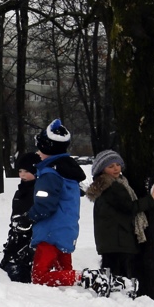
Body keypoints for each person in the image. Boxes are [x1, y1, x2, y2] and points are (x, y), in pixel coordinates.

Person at [26, 120, 98, 290]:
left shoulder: (49, 174)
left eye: (40, 148)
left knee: (40, 276)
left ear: (48, 149)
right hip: (66, 230)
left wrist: (28, 217)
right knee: (64, 273)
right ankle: (85, 286)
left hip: (50, 232)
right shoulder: (68, 172)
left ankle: (87, 278)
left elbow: (45, 205)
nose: (38, 152)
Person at [86, 149, 154, 294]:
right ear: (102, 170)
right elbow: (130, 207)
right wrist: (152, 198)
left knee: (111, 270)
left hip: (111, 239)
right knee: (119, 273)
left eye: (117, 164)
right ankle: (118, 298)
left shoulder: (111, 184)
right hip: (118, 238)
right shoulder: (112, 187)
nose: (116, 168)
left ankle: (112, 296)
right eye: (110, 166)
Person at [0, 152, 38, 283]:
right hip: (15, 238)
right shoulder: (19, 191)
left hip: (30, 240)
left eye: (27, 171)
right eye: (20, 171)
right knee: (4, 273)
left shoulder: (38, 190)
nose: (22, 175)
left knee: (19, 276)